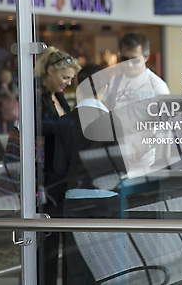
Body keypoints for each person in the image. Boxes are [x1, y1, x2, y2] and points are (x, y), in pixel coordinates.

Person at [54, 63, 125, 285]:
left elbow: (58, 168)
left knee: (75, 268)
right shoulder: (112, 120)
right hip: (106, 202)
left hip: (75, 202)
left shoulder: (64, 122)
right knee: (103, 268)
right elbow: (122, 167)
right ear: (104, 88)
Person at [35, 46, 81, 285]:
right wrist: (71, 123)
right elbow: (42, 126)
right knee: (49, 243)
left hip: (60, 177)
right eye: (65, 78)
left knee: (61, 241)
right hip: (45, 179)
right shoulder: (36, 96)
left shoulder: (58, 96)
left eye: (71, 79)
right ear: (50, 70)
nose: (67, 83)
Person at [105, 32, 169, 178]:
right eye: (124, 59)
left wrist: (145, 146)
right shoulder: (114, 82)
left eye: (134, 59)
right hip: (117, 162)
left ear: (146, 57)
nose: (128, 64)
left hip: (145, 164)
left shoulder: (157, 86)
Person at [0, 67, 18, 133]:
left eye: (2, 74)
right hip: (0, 109)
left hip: (9, 110)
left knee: (11, 128)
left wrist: (6, 90)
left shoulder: (11, 85)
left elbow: (13, 96)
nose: (0, 76)